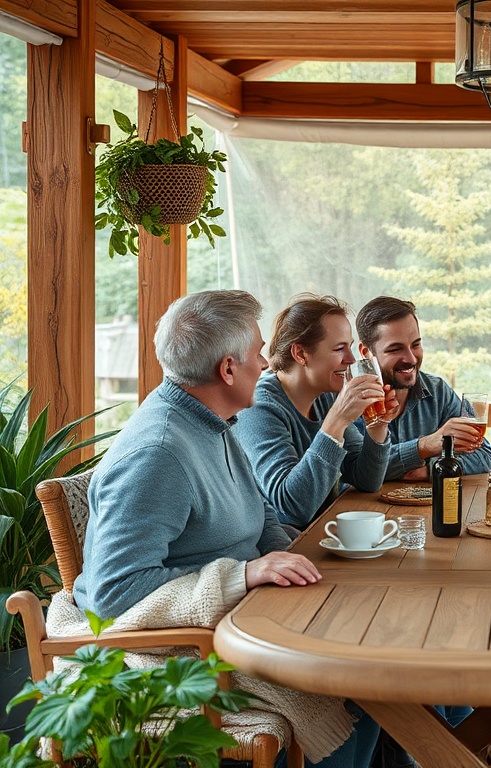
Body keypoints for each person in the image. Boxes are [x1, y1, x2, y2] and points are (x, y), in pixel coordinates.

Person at [68, 290, 380, 768]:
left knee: (367, 646)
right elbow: (114, 591)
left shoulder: (215, 421)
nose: (265, 362)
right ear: (228, 369)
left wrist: (298, 559)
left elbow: (262, 515)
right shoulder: (159, 453)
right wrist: (244, 574)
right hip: (181, 651)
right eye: (257, 352)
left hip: (242, 620)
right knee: (363, 685)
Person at [235, 295, 396, 530]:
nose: (351, 360)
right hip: (285, 549)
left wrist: (377, 426)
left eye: (350, 347)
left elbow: (367, 480)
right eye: (339, 348)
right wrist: (336, 422)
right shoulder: (260, 408)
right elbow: (292, 507)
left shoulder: (325, 397)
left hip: (326, 531)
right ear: (301, 354)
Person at [354, 296, 491, 481]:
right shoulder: (350, 401)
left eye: (416, 345)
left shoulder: (438, 391)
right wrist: (424, 446)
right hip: (362, 509)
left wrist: (432, 469)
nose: (411, 359)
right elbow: (359, 471)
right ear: (367, 353)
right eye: (395, 349)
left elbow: (484, 455)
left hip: (427, 508)